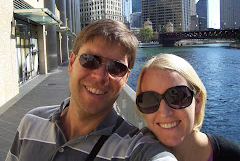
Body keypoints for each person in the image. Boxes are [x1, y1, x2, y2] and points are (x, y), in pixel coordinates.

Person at [6, 19, 176, 161]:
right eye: (89, 60)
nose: (100, 76)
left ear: (125, 78)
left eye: (116, 68)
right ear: (72, 63)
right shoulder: (30, 122)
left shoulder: (135, 149)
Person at [135, 53, 240, 161]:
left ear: (197, 102)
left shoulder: (233, 155)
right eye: (150, 99)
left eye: (177, 96)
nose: (164, 113)